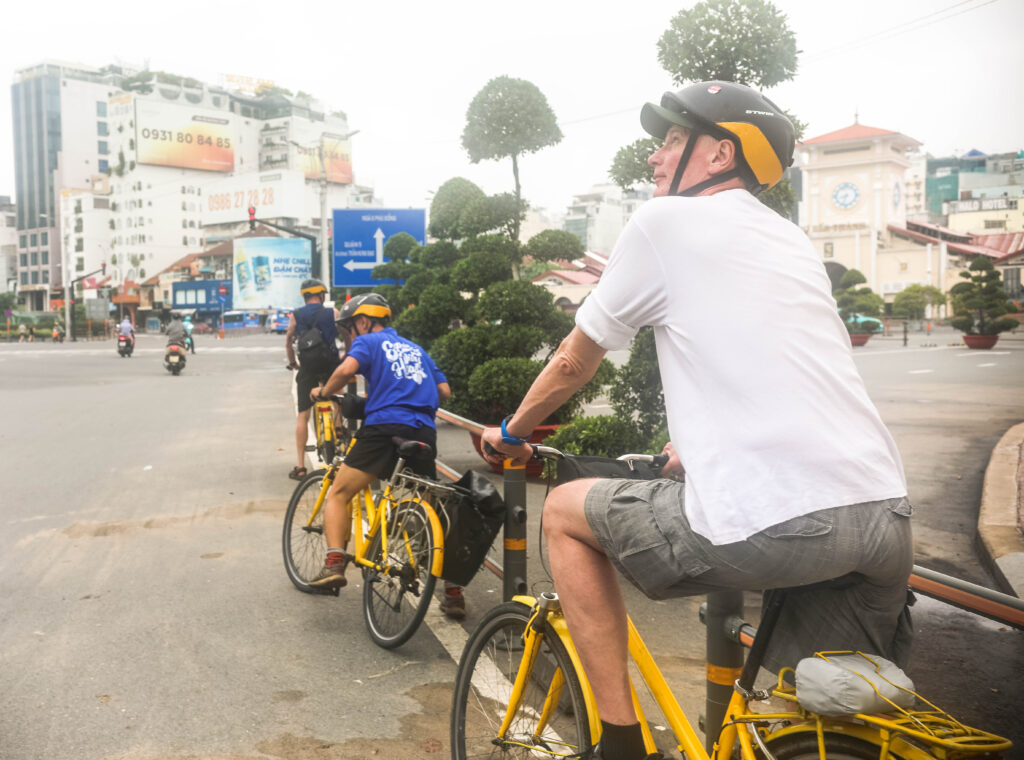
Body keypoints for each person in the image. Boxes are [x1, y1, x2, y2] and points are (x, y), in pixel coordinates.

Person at [482, 81, 913, 760]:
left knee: (563, 511)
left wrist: (511, 432)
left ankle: (620, 741)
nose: (655, 157)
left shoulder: (664, 224)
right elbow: (781, 366)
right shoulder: (790, 240)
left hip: (778, 518)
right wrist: (701, 444)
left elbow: (574, 360)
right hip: (884, 516)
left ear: (719, 154)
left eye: (673, 140)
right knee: (820, 716)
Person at [306, 293, 467, 619]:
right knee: (433, 509)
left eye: (348, 329)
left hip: (382, 430)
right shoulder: (417, 349)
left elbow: (346, 370)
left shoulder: (368, 342)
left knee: (339, 491)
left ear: (362, 322)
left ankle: (335, 563)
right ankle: (453, 591)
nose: (349, 336)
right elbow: (444, 392)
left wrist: (324, 392)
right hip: (422, 432)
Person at [285, 278, 341, 480]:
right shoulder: (332, 313)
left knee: (303, 415)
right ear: (322, 295)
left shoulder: (296, 315)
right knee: (339, 395)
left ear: (305, 296)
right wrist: (348, 357)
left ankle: (300, 466)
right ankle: (339, 426)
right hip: (330, 365)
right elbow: (347, 336)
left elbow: (288, 341)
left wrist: (294, 363)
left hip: (307, 367)